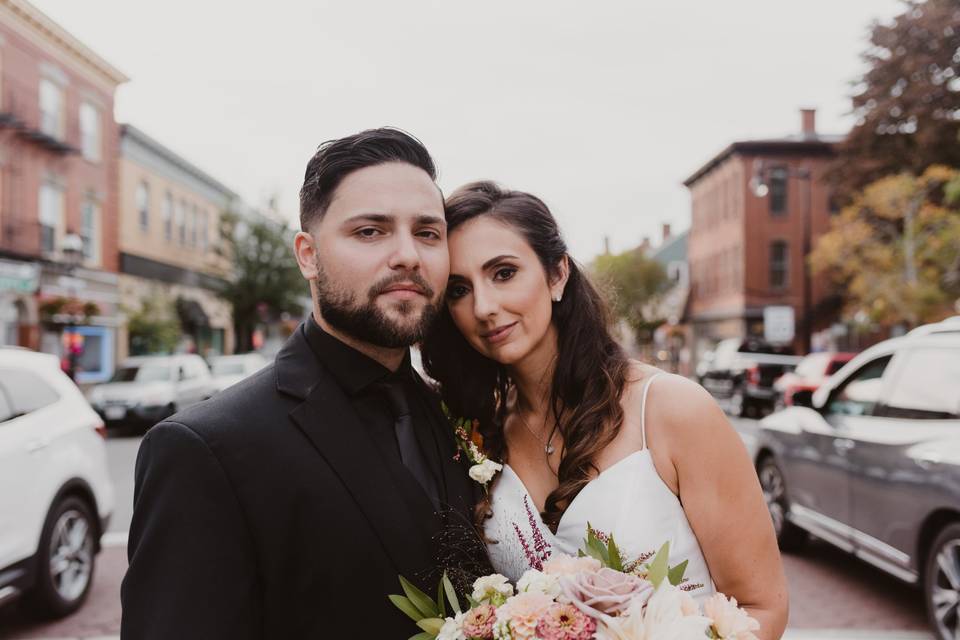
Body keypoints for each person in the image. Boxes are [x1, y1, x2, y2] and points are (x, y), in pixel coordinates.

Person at [121, 128, 483, 638]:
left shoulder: (453, 414)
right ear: (308, 255)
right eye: (370, 231)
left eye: (427, 233)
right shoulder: (206, 448)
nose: (408, 255)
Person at [421, 181, 789, 640]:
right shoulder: (478, 434)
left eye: (504, 273)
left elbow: (761, 608)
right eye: (458, 289)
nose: (484, 307)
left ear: (557, 275)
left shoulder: (671, 409)